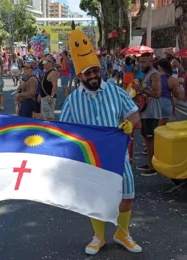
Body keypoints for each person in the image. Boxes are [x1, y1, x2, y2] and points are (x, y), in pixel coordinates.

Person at [63, 29, 141, 256]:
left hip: (119, 157)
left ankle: (122, 232)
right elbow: (66, 131)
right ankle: (99, 236)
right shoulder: (72, 101)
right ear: (80, 76)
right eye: (88, 72)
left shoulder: (116, 92)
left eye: (96, 70)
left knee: (127, 196)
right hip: (92, 160)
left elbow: (134, 115)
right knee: (95, 199)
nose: (94, 75)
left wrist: (129, 124)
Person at [133, 53, 162, 176]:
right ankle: (149, 163)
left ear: (151, 62)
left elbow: (157, 93)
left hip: (152, 112)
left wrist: (141, 88)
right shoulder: (146, 74)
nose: (141, 64)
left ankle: (153, 167)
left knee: (150, 140)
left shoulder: (154, 74)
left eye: (144, 62)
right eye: (140, 61)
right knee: (146, 139)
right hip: (145, 111)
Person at [157, 58, 180, 126]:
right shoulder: (173, 80)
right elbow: (176, 93)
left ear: (160, 67)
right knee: (164, 128)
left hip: (155, 103)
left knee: (156, 128)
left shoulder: (154, 77)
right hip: (166, 104)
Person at [39, 54, 58, 121]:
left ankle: (49, 130)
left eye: (45, 62)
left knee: (49, 117)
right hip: (44, 97)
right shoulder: (46, 71)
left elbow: (55, 85)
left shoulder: (53, 72)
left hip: (48, 98)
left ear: (50, 63)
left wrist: (52, 97)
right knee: (45, 116)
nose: (43, 64)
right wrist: (40, 95)